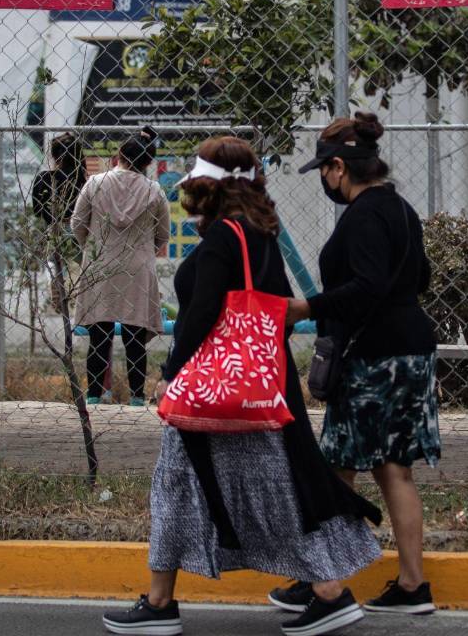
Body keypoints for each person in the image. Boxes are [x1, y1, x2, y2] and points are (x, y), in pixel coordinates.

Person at [102, 136, 383, 636]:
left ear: (207, 187)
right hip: (256, 388)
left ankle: (322, 592)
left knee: (178, 487)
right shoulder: (260, 233)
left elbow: (201, 314)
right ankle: (318, 591)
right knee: (273, 490)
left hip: (211, 393)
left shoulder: (223, 240)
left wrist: (172, 376)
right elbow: (278, 313)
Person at [278, 112, 440, 615]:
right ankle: (412, 584)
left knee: (338, 469)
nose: (325, 179)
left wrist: (308, 307)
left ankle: (323, 582)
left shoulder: (365, 215)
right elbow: (422, 277)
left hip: (375, 358)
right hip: (410, 350)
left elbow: (367, 286)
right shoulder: (401, 210)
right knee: (394, 468)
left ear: (340, 168)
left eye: (324, 171)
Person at [70, 127, 169, 406]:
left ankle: (93, 397)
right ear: (148, 163)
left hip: (100, 263)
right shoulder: (154, 190)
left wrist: (92, 247)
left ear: (118, 155)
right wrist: (143, 248)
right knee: (135, 335)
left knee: (99, 336)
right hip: (138, 267)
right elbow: (163, 233)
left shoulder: (95, 184)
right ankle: (137, 399)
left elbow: (77, 223)